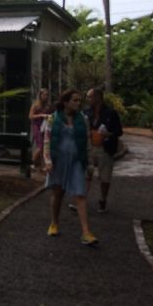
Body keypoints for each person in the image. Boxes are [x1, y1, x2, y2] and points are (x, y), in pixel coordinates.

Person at [43, 89, 98, 246]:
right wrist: (48, 161)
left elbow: (87, 142)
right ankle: (54, 223)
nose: (78, 103)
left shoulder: (83, 119)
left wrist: (90, 163)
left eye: (79, 100)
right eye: (75, 100)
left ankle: (86, 232)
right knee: (58, 193)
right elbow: (47, 140)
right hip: (58, 160)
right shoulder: (53, 118)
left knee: (80, 194)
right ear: (66, 102)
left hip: (76, 161)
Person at [83, 87, 123, 213]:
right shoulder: (86, 112)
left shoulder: (111, 113)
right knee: (85, 174)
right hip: (89, 147)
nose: (87, 99)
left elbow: (119, 131)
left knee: (105, 177)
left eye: (90, 96)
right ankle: (81, 200)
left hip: (104, 149)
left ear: (98, 97)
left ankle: (102, 200)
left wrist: (107, 134)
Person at [29, 88, 52, 171]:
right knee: (40, 146)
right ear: (40, 95)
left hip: (45, 126)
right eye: (44, 95)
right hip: (37, 126)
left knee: (45, 145)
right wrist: (41, 115)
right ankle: (32, 162)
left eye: (47, 95)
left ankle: (42, 165)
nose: (46, 96)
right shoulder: (35, 105)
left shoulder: (48, 106)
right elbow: (30, 116)